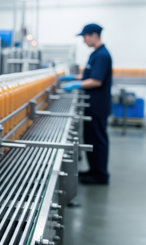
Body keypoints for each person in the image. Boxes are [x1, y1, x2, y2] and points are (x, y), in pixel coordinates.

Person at [60, 23, 112, 185]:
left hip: (98, 105)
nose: (84, 41)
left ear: (94, 35)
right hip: (92, 104)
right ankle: (93, 170)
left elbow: (96, 81)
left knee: (97, 139)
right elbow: (88, 76)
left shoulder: (102, 55)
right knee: (91, 137)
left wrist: (75, 85)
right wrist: (74, 78)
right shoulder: (96, 54)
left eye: (85, 37)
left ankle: (100, 175)